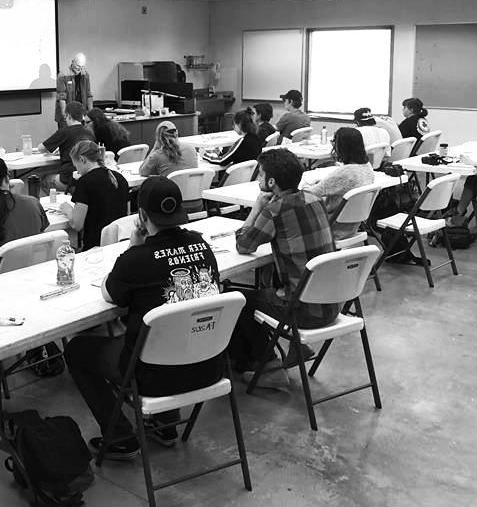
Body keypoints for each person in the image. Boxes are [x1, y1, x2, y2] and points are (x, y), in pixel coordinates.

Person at [64, 177, 222, 458]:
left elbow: (110, 294)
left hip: (154, 376)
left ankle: (120, 437)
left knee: (77, 350)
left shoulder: (137, 259)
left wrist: (133, 248)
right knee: (173, 332)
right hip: (209, 365)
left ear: (141, 216)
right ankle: (166, 424)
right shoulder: (203, 246)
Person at [227, 149, 336, 390]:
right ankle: (297, 345)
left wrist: (256, 208)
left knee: (237, 300)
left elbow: (244, 245)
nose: (258, 179)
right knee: (268, 286)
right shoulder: (314, 199)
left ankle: (270, 367)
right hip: (332, 301)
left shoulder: (275, 210)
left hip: (303, 311)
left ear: (271, 182)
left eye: (261, 175)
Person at [303, 127, 375, 240]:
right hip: (353, 226)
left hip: (331, 226)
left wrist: (306, 186)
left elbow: (309, 194)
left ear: (341, 147)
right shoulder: (368, 168)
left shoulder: (345, 173)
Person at [62, 140, 129, 249]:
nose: (77, 171)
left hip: (96, 247)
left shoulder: (85, 183)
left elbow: (77, 225)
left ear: (82, 159)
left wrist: (67, 210)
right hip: (119, 244)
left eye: (76, 166)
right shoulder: (119, 178)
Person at [36, 101, 93, 189]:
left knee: (45, 179)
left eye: (65, 117)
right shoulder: (89, 133)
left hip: (69, 178)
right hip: (86, 177)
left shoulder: (64, 132)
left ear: (68, 115)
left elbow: (41, 148)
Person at [55, 52, 92, 130]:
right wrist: (65, 116)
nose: (80, 69)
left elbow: (88, 95)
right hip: (67, 113)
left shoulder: (85, 75)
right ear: (72, 62)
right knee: (67, 138)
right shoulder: (63, 75)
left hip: (80, 113)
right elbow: (62, 97)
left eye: (82, 67)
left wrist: (90, 113)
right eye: (78, 66)